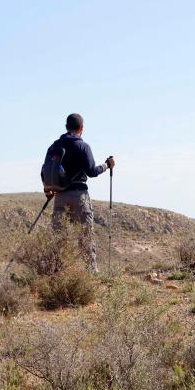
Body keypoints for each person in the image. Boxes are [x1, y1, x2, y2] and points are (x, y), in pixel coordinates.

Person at [41, 113, 116, 272]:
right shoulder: (83, 146)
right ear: (81, 128)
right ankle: (91, 273)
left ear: (66, 127)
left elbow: (44, 172)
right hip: (79, 195)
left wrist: (48, 189)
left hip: (60, 196)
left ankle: (57, 272)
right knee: (85, 236)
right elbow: (92, 171)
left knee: (59, 237)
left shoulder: (54, 146)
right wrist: (107, 165)